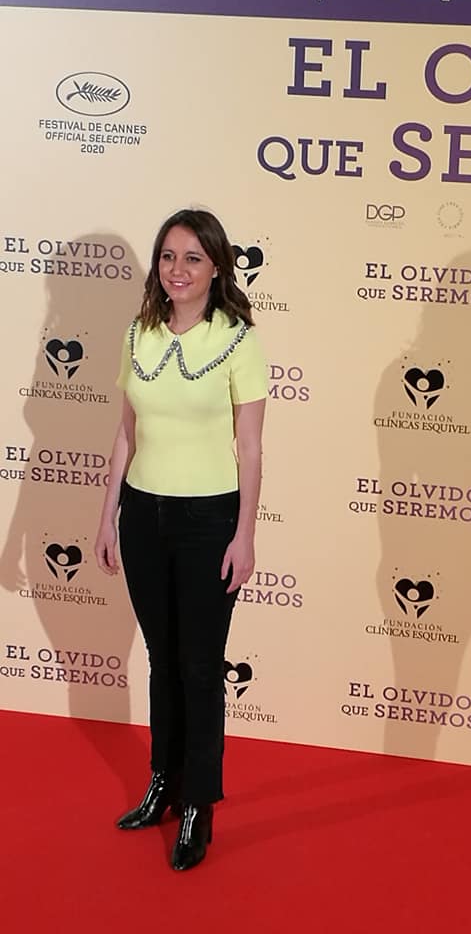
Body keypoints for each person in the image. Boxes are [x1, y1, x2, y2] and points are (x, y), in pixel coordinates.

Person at [94, 209, 267, 871]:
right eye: (168, 256)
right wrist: (108, 516)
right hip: (143, 515)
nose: (178, 269)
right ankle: (162, 785)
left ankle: (198, 803)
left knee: (199, 666)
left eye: (193, 257)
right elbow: (125, 433)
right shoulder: (138, 332)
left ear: (217, 266)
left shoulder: (238, 339)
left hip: (209, 521)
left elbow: (250, 448)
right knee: (162, 661)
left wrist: (245, 534)